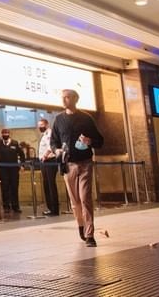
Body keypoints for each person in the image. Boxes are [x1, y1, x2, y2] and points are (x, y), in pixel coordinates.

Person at [50, 88, 104, 247]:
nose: (64, 100)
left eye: (67, 97)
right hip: (68, 164)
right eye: (62, 97)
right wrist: (56, 150)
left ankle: (89, 234)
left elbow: (100, 140)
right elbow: (54, 141)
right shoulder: (59, 119)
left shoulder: (86, 118)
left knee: (85, 197)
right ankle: (81, 226)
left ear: (75, 99)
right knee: (74, 201)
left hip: (85, 162)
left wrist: (89, 141)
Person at [37, 117, 60, 216]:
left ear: (47, 125)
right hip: (44, 162)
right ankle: (50, 208)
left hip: (49, 161)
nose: (40, 127)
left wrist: (45, 155)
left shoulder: (49, 133)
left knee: (51, 185)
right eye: (39, 126)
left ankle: (54, 209)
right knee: (46, 185)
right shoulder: (44, 135)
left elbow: (51, 146)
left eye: (42, 125)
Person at [0, 128, 23, 214]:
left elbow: (21, 154)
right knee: (5, 187)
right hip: (3, 169)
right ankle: (6, 206)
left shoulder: (15, 143)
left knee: (14, 187)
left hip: (14, 169)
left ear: (9, 134)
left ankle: (15, 206)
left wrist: (21, 164)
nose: (5, 135)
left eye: (7, 133)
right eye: (3, 133)